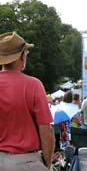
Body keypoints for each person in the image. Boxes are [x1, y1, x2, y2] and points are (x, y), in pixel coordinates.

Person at [0, 31, 54, 170]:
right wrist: (47, 165)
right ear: (22, 56)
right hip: (26, 161)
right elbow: (46, 131)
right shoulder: (33, 85)